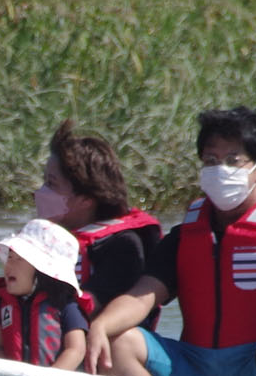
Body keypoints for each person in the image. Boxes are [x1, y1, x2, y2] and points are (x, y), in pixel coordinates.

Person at [82, 106, 256, 376]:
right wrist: (100, 326)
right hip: (194, 364)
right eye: (211, 160)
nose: (220, 169)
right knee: (119, 340)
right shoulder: (186, 235)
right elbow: (142, 296)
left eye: (232, 160)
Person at [31, 120, 164, 323]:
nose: (39, 192)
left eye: (51, 183)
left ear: (86, 200)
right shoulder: (39, 237)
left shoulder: (123, 246)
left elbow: (85, 309)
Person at [0, 219, 91, 370]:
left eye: (19, 259)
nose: (9, 265)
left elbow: (76, 350)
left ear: (43, 271)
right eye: (9, 258)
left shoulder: (66, 305)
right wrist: (7, 373)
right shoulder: (4, 303)